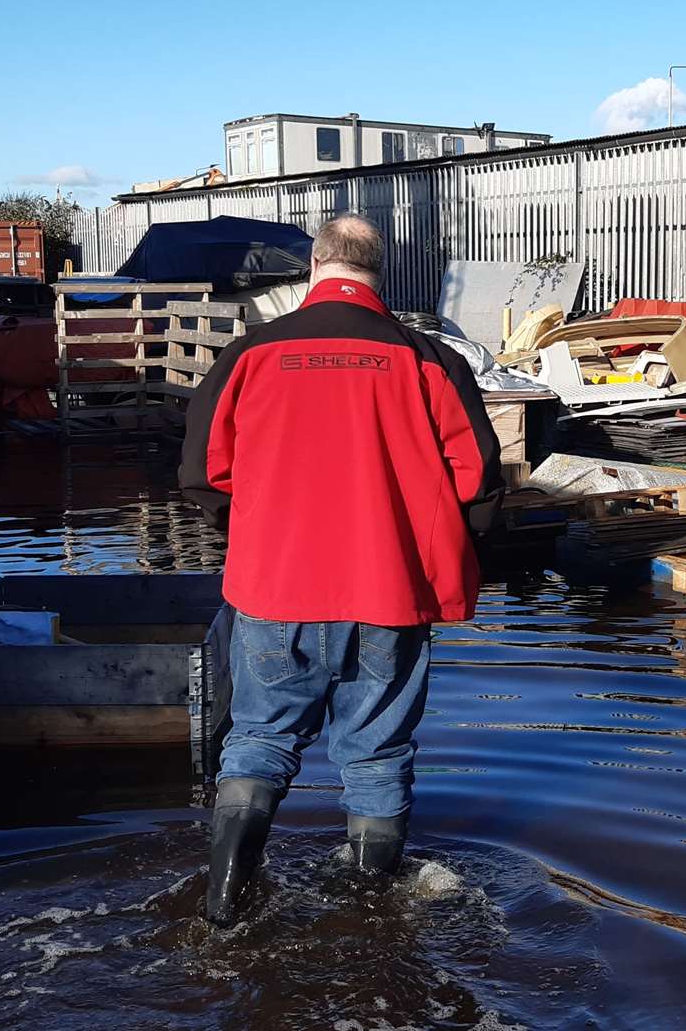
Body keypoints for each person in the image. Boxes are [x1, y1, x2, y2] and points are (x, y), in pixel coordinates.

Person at [179, 215, 503, 925]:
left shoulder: (251, 355)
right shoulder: (428, 360)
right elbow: (477, 484)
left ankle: (223, 908)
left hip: (275, 589)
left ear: (317, 264)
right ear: (377, 271)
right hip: (390, 593)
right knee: (377, 756)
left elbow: (204, 474)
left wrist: (262, 533)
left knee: (259, 742)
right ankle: (365, 919)